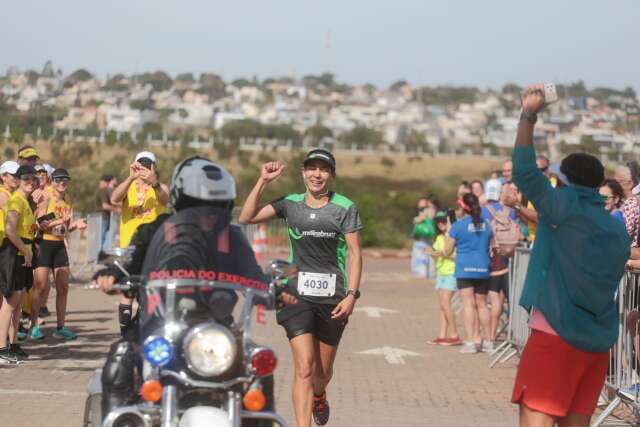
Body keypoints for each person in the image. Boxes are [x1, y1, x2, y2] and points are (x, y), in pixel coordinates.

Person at [94, 156, 274, 418]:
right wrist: (113, 272)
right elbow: (133, 261)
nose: (205, 213)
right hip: (159, 323)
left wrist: (277, 290)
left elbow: (254, 275)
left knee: (259, 366)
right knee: (121, 357)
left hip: (217, 329)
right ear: (181, 201)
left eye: (215, 206)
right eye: (195, 205)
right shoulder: (156, 229)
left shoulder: (231, 236)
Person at [509, 84, 630, 426]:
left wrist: (528, 114)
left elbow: (524, 171)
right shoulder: (615, 228)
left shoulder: (563, 207)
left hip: (554, 335)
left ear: (564, 183)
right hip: (596, 343)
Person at [239, 148, 363, 427]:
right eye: (311, 168)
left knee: (322, 372)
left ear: (331, 174)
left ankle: (320, 395)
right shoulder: (290, 204)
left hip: (333, 297)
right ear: (303, 172)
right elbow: (247, 217)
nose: (316, 174)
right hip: (295, 295)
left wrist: (352, 296)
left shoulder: (345, 207)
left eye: (323, 169)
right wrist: (262, 182)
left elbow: (355, 254)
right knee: (304, 367)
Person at [110, 151, 169, 336]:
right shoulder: (129, 187)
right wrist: (130, 178)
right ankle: (125, 334)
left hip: (153, 247)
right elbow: (114, 198)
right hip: (131, 246)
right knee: (128, 292)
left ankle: (142, 330)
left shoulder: (159, 187)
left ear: (154, 167)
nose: (143, 167)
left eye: (147, 164)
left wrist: (154, 182)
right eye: (140, 163)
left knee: (147, 293)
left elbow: (165, 199)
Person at [29, 168, 86, 340]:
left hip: (59, 245)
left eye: (65, 180)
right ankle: (33, 326)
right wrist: (61, 220)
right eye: (58, 179)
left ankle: (60, 327)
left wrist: (76, 224)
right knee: (40, 286)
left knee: (63, 287)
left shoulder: (68, 199)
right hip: (44, 243)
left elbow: (66, 228)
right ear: (52, 181)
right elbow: (40, 224)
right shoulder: (46, 196)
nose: (62, 182)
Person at [443, 192, 493, 354]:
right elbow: (490, 244)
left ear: (463, 208)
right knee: (482, 305)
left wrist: (448, 233)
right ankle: (489, 341)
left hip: (465, 269)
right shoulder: (486, 224)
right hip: (483, 268)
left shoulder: (457, 227)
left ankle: (471, 342)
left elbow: (446, 251)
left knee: (468, 305)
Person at [0, 165, 38, 363]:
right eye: (26, 179)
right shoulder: (16, 200)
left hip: (24, 252)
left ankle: (12, 344)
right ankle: (1, 348)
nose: (30, 182)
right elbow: (10, 230)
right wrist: (25, 250)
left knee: (18, 302)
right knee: (10, 302)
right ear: (18, 180)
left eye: (34, 179)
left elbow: (26, 231)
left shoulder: (25, 201)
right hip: (14, 252)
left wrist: (31, 247)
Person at [482, 178, 517, 347]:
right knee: (504, 298)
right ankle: (500, 335)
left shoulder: (483, 211)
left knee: (492, 299)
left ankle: (490, 337)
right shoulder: (509, 210)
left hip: (491, 259)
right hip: (510, 259)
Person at [426, 212, 460, 346]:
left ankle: (455, 334)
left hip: (451, 273)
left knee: (446, 304)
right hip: (441, 273)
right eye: (438, 222)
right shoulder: (439, 237)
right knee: (442, 306)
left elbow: (455, 256)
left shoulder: (454, 237)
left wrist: (441, 253)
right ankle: (442, 335)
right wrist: (431, 253)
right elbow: (437, 256)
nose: (440, 224)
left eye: (443, 221)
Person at [411, 197, 436, 278]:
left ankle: (428, 274)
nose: (421, 206)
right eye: (420, 205)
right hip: (418, 243)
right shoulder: (417, 213)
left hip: (428, 242)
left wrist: (425, 216)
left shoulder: (431, 211)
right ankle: (419, 275)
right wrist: (422, 217)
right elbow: (415, 220)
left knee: (429, 262)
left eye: (423, 204)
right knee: (418, 263)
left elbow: (432, 217)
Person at [97, 174, 119, 252]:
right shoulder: (103, 191)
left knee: (105, 237)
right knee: (102, 237)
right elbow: (105, 206)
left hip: (106, 217)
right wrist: (117, 210)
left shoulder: (105, 190)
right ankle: (101, 254)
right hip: (103, 218)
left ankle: (102, 254)